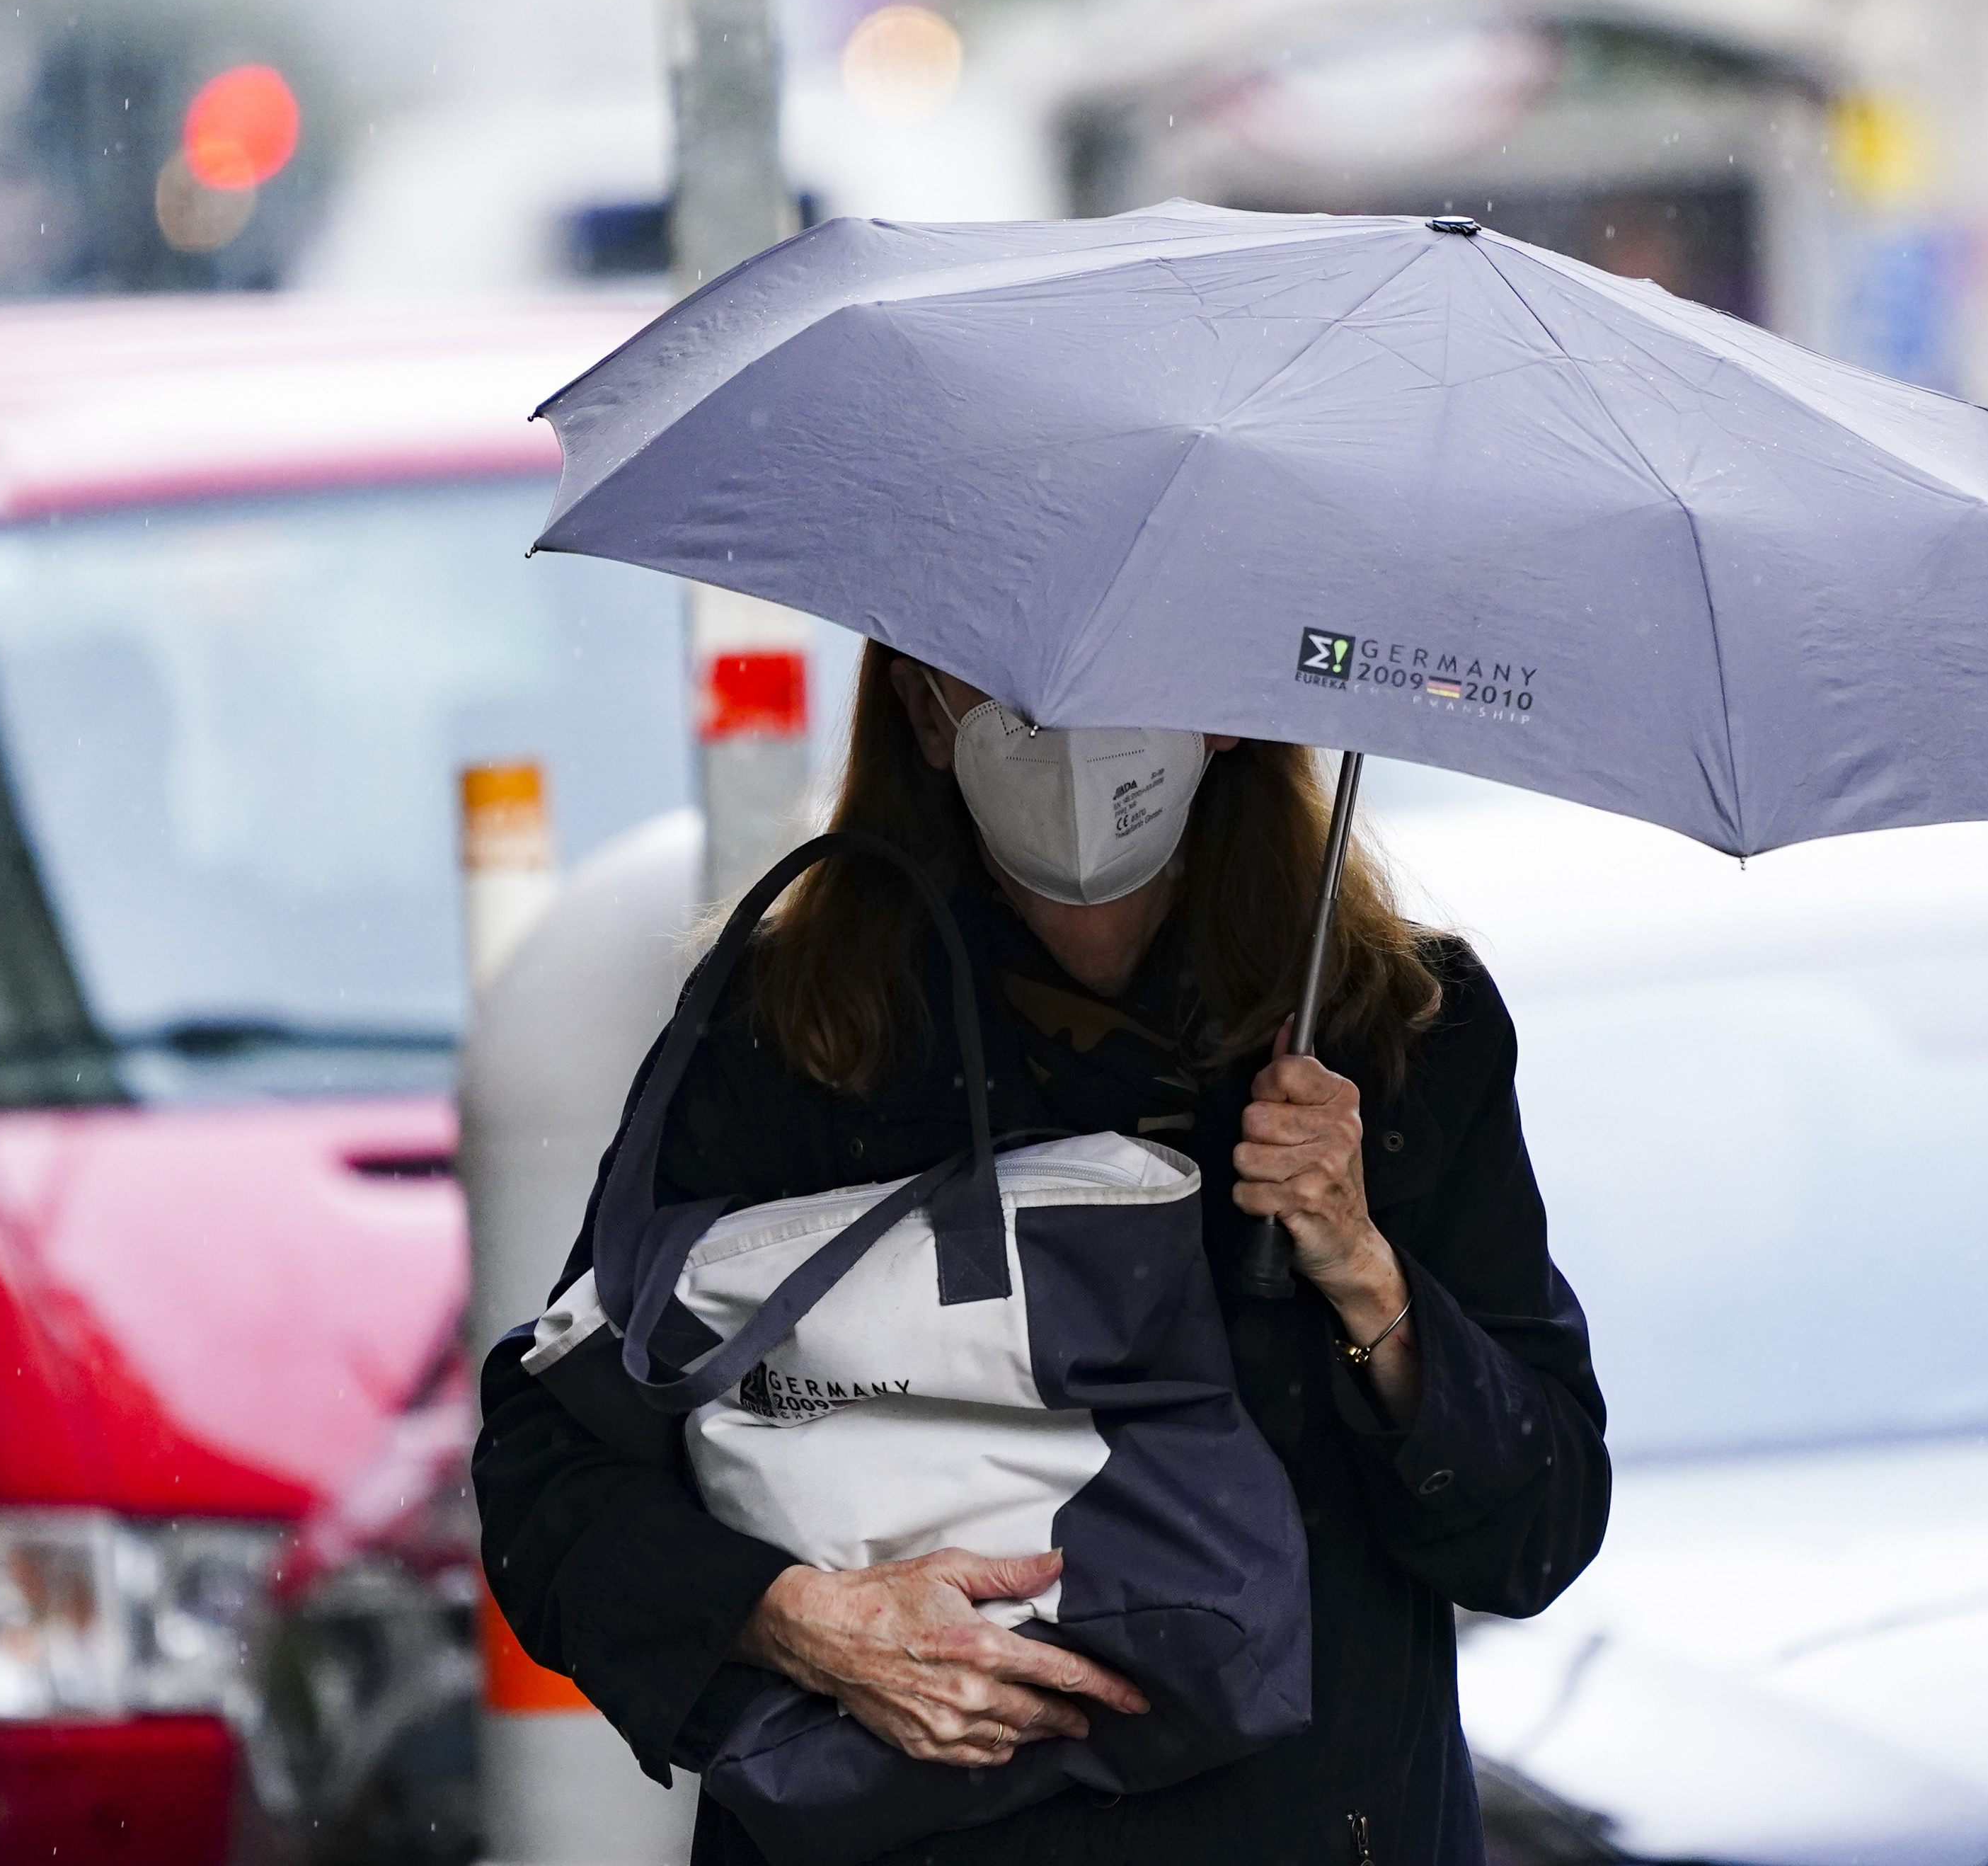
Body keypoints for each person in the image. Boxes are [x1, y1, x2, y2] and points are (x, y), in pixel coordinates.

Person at [474, 643, 1611, 1865]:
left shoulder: (1393, 1033)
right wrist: (802, 1620)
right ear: (920, 708)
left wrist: (1360, 1266)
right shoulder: (796, 1025)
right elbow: (550, 1468)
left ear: (1226, 715)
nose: (1069, 728)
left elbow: (1529, 1531)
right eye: (1004, 679)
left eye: (1125, 673)